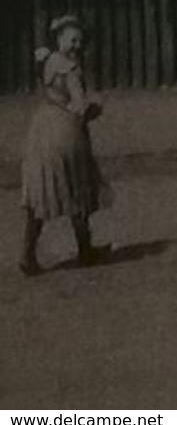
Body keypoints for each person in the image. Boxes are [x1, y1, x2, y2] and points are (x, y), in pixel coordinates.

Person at [18, 14, 111, 276]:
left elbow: (52, 94)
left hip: (42, 128)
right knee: (78, 184)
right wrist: (95, 109)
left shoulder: (49, 62)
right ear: (60, 39)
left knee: (42, 187)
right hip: (66, 131)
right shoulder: (71, 68)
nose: (77, 45)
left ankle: (27, 253)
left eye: (79, 41)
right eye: (73, 40)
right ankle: (85, 249)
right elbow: (79, 107)